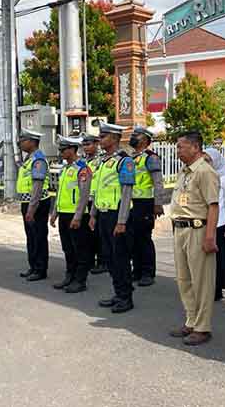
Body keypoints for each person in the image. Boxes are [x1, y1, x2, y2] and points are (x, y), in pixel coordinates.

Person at [168, 131, 220, 346]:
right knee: (184, 279)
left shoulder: (204, 171)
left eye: (181, 146)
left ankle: (202, 327)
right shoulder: (184, 171)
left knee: (202, 282)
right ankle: (191, 320)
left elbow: (213, 206)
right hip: (180, 229)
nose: (178, 150)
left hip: (198, 230)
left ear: (195, 147)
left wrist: (210, 236)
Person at [89, 122, 136, 313]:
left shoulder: (125, 162)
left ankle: (126, 297)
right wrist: (93, 214)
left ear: (115, 139)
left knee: (120, 258)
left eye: (103, 136)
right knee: (109, 258)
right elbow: (97, 191)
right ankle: (118, 293)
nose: (100, 140)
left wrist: (122, 221)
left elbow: (126, 193)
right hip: (103, 215)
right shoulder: (102, 162)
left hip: (118, 216)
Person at [49, 135, 93, 293]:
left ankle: (80, 280)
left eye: (63, 149)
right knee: (67, 248)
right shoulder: (65, 168)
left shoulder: (82, 168)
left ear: (73, 150)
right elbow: (60, 192)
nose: (60, 152)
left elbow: (84, 195)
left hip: (76, 215)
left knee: (80, 249)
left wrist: (78, 216)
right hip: (64, 213)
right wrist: (54, 212)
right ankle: (70, 276)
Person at [128, 126, 167, 287]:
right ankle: (136, 271)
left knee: (144, 239)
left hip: (145, 203)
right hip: (132, 203)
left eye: (136, 135)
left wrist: (158, 203)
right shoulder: (132, 157)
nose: (133, 137)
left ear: (144, 139)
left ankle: (147, 272)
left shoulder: (151, 158)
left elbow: (158, 182)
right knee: (133, 238)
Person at [203, 148, 225, 301]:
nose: (206, 164)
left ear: (216, 160)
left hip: (221, 224)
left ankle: (217, 290)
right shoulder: (206, 177)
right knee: (207, 260)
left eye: (208, 160)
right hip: (207, 222)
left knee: (219, 260)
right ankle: (208, 288)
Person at [17, 129, 51, 281]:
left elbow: (37, 187)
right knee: (31, 236)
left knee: (38, 236)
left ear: (32, 142)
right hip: (27, 202)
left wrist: (31, 208)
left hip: (37, 203)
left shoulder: (38, 160)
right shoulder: (28, 159)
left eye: (23, 140)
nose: (20, 143)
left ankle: (40, 269)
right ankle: (33, 266)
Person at [82, 133, 107, 275]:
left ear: (96, 144)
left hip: (96, 200)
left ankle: (103, 261)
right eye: (84, 145)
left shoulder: (100, 161)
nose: (86, 147)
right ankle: (90, 260)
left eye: (89, 144)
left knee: (98, 233)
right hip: (85, 201)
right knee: (88, 233)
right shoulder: (84, 162)